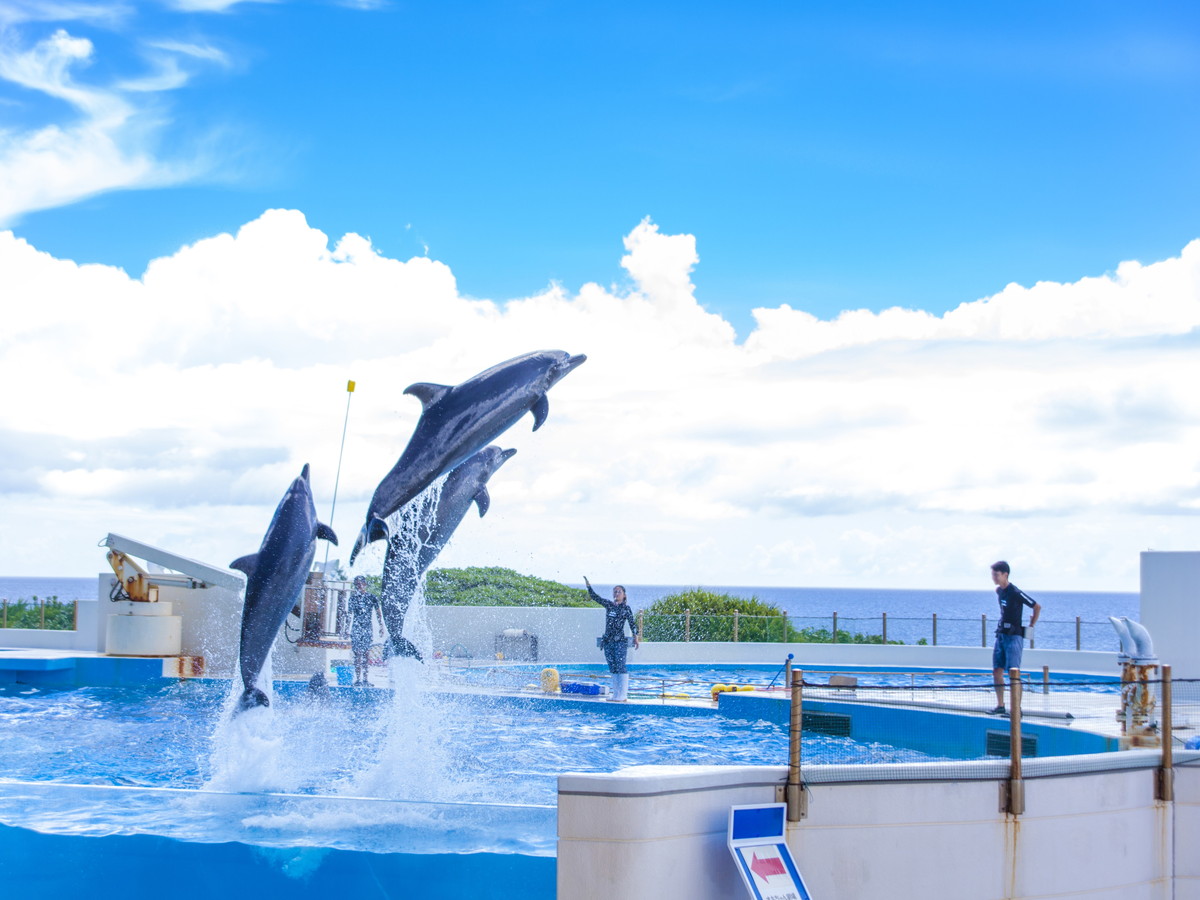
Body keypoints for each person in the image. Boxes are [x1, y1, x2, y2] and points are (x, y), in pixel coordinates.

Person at [989, 560, 1041, 715]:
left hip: (1014, 636)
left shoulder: (1015, 592)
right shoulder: (999, 591)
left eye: (997, 575)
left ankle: (1017, 708)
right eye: (993, 575)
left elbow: (1036, 606)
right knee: (997, 670)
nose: (994, 578)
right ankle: (1000, 705)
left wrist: (1031, 624)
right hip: (1001, 635)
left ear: (1005, 574)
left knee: (1014, 672)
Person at [584, 576, 640, 702]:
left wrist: (636, 638)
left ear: (624, 595)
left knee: (620, 666)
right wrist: (589, 586)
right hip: (608, 641)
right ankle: (616, 694)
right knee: (612, 667)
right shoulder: (609, 605)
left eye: (619, 591)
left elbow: (632, 623)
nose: (616, 593)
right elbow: (595, 597)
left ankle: (623, 695)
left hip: (620, 641)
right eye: (615, 591)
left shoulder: (626, 608)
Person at [347, 576, 382, 687]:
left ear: (365, 584)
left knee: (366, 654)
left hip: (367, 628)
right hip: (356, 628)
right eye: (357, 584)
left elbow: (378, 612)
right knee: (357, 654)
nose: (359, 586)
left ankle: (365, 679)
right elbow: (349, 615)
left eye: (361, 584)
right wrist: (345, 629)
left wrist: (381, 626)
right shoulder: (353, 598)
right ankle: (358, 680)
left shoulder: (371, 597)